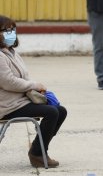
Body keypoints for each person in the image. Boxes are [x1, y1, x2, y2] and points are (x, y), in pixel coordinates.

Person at [0, 15, 67, 168]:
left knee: (60, 110)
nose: (11, 33)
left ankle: (38, 147)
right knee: (51, 112)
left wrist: (36, 91)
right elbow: (8, 82)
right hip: (8, 106)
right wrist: (34, 85)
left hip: (21, 101)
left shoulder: (11, 52)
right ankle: (37, 154)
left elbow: (23, 77)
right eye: (6, 30)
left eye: (12, 29)